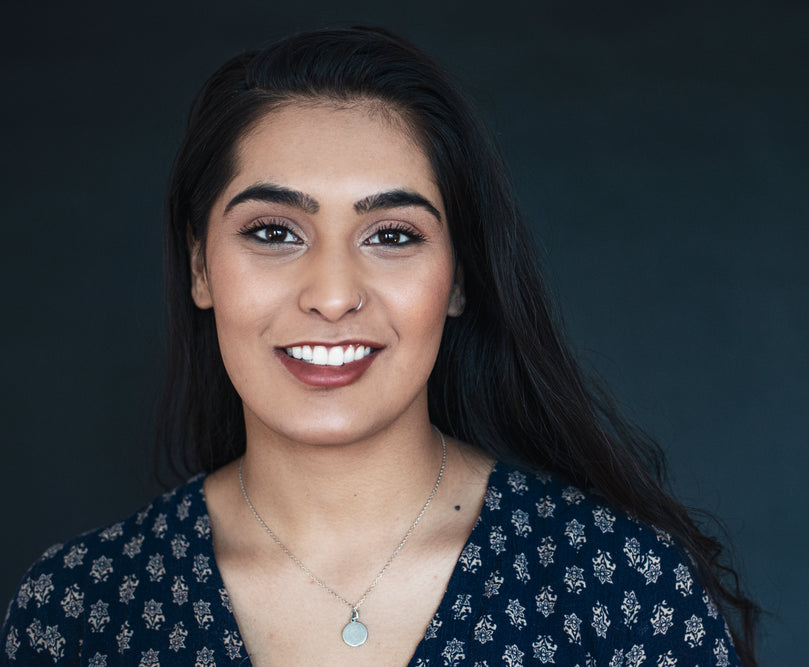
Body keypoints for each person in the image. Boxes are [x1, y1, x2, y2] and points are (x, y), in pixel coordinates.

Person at [2, 26, 758, 666]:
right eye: (273, 232)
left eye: (392, 235)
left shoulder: (620, 591)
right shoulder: (77, 614)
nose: (332, 294)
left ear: (459, 279)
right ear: (201, 266)